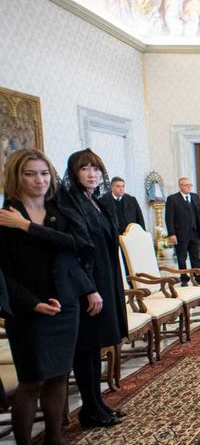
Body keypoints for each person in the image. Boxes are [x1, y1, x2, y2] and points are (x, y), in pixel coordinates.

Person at [0, 149, 93, 445]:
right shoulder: (4, 218)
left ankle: (55, 439)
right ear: (16, 177)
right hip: (28, 310)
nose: (39, 180)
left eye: (43, 173)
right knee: (32, 380)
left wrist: (27, 227)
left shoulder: (56, 211)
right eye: (30, 174)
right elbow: (3, 275)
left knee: (59, 375)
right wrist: (32, 303)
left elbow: (77, 246)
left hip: (65, 304)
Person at [57, 149, 129, 429]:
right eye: (84, 169)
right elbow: (75, 252)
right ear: (74, 173)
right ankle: (89, 407)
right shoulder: (69, 205)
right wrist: (89, 289)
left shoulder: (98, 203)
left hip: (105, 279)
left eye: (95, 169)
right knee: (85, 347)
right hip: (87, 285)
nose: (91, 174)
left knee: (96, 344)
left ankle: (97, 403)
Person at [165, 177, 200, 287]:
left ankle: (199, 277)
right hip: (180, 233)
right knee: (182, 257)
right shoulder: (172, 199)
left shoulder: (195, 197)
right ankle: (184, 278)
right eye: (186, 185)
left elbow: (198, 215)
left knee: (196, 256)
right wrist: (171, 233)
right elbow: (169, 217)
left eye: (190, 185)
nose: (189, 187)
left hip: (194, 232)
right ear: (180, 186)